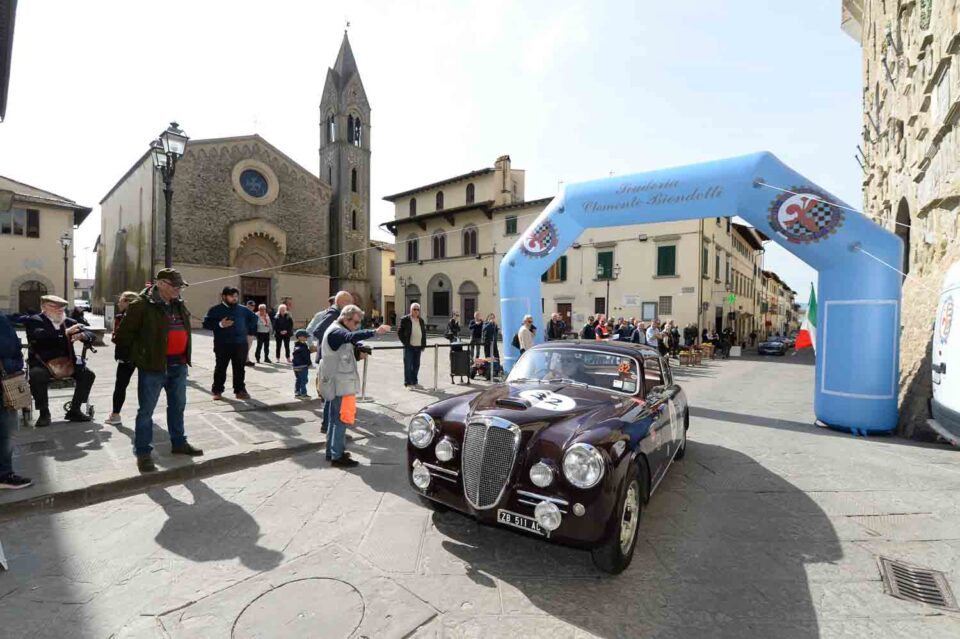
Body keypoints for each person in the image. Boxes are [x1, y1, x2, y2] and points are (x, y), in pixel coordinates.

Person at [115, 269, 202, 473]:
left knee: (178, 406)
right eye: (175, 286)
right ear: (161, 284)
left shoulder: (179, 303)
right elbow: (124, 336)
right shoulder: (141, 305)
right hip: (153, 367)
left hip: (178, 365)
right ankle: (143, 453)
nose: (179, 290)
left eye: (180, 286)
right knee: (146, 411)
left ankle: (179, 443)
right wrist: (138, 357)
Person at [319, 305, 390, 467]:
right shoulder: (337, 331)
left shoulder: (337, 330)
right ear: (346, 318)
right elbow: (349, 336)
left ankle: (332, 452)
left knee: (333, 419)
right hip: (338, 384)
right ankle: (337, 456)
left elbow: (345, 348)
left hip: (337, 382)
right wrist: (374, 332)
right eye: (356, 322)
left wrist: (358, 350)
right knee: (340, 420)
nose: (357, 326)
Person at [22, 295, 96, 427]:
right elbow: (40, 336)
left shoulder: (69, 321)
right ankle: (44, 413)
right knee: (36, 375)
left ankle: (75, 409)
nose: (59, 309)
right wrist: (65, 332)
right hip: (43, 362)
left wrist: (83, 335)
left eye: (61, 307)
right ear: (43, 307)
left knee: (88, 375)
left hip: (67, 362)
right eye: (53, 306)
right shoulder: (35, 320)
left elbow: (91, 334)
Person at [307, 291, 353, 433]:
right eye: (350, 303)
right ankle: (332, 430)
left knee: (329, 396)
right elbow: (318, 331)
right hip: (331, 361)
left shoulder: (337, 314)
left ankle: (327, 426)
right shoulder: (334, 314)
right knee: (333, 397)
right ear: (343, 303)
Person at [202, 287, 258, 401]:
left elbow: (254, 318)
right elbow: (206, 324)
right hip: (222, 344)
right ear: (224, 296)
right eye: (232, 296)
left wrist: (245, 329)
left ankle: (240, 390)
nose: (235, 298)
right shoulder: (215, 310)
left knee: (239, 368)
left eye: (236, 296)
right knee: (220, 368)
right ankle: (217, 391)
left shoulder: (243, 309)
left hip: (240, 344)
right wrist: (220, 324)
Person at [0, 312, 33, 488]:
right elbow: (9, 347)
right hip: (4, 383)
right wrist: (15, 365)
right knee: (7, 430)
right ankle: (4, 475)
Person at [105, 291, 141, 426]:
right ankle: (144, 413)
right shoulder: (142, 316)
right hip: (139, 354)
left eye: (121, 300)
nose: (118, 303)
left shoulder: (121, 317)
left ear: (127, 302)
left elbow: (117, 337)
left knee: (121, 385)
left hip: (126, 355)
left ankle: (115, 415)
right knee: (143, 386)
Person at [398, 302, 427, 388]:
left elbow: (423, 333)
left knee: (416, 365)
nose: (416, 311)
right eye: (414, 309)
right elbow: (400, 333)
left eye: (418, 309)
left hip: (418, 346)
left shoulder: (421, 320)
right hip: (409, 346)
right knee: (408, 365)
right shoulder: (405, 319)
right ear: (411, 310)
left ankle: (415, 382)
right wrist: (406, 343)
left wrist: (423, 345)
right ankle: (408, 383)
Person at [292, 329, 312, 399]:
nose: (306, 338)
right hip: (302, 366)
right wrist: (309, 363)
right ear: (300, 337)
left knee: (298, 379)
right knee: (304, 380)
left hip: (296, 366)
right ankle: (303, 394)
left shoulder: (297, 346)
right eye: (305, 337)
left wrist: (309, 351)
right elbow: (305, 356)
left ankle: (297, 393)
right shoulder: (303, 347)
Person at [244, 300, 258, 367]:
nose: (252, 307)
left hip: (251, 333)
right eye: (250, 305)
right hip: (247, 333)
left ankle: (246, 360)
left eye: (253, 306)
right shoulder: (245, 313)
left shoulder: (252, 313)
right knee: (246, 347)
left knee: (248, 347)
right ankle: (246, 361)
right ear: (247, 305)